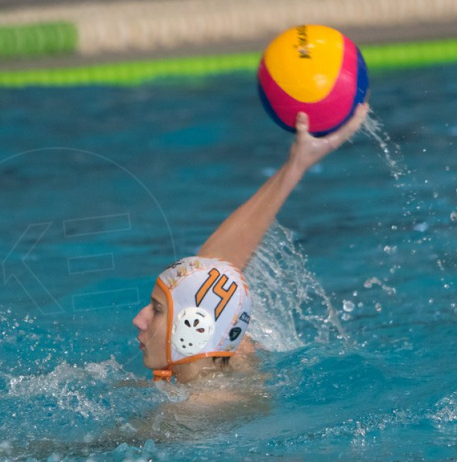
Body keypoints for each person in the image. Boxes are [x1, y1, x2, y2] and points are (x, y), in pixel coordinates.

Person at [133, 105, 370, 383]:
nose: (139, 319)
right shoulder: (229, 349)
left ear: (194, 328)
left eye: (157, 309)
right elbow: (211, 276)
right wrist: (296, 164)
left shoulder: (193, 416)